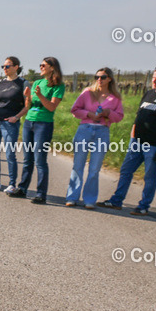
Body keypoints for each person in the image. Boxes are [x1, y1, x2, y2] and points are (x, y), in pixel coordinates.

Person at [99, 66, 156, 215]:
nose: (154, 80)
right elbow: (139, 115)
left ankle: (143, 206)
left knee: (149, 176)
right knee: (126, 170)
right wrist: (133, 135)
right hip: (136, 142)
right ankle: (116, 201)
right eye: (153, 77)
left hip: (155, 145)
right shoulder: (149, 94)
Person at [9, 57, 65, 204]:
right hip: (29, 122)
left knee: (40, 160)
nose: (40, 67)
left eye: (43, 65)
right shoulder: (37, 83)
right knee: (27, 158)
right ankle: (22, 189)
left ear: (52, 68)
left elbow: (52, 107)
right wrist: (27, 97)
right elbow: (29, 105)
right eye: (40, 64)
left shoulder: (58, 86)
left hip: (44, 124)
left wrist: (39, 95)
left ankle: (41, 194)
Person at [65, 68, 124, 208]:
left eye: (103, 77)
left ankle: (89, 200)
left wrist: (108, 112)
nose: (99, 79)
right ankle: (72, 197)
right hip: (84, 130)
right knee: (77, 166)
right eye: (97, 76)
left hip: (102, 132)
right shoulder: (87, 93)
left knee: (94, 169)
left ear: (109, 78)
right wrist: (89, 114)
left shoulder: (115, 97)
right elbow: (75, 110)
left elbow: (119, 116)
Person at [0, 57, 28, 192]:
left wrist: (16, 117)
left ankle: (12, 184)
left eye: (7, 66)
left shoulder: (23, 83)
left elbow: (27, 105)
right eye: (3, 66)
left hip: (11, 123)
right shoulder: (0, 83)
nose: (4, 69)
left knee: (9, 154)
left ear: (16, 67)